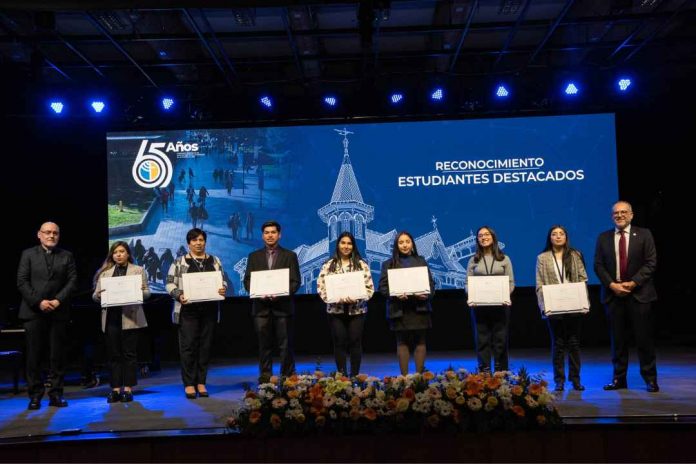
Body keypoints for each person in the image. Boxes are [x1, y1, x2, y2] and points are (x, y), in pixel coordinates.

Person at [594, 201, 658, 392]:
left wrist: (633, 282)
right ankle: (619, 379)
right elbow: (598, 265)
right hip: (614, 296)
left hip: (640, 295)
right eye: (616, 213)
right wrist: (612, 285)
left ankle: (650, 379)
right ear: (612, 216)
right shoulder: (603, 237)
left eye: (623, 212)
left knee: (644, 340)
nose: (620, 215)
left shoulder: (644, 234)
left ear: (631, 215)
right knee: (618, 341)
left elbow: (651, 262)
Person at [17, 221, 77, 410]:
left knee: (57, 357)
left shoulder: (67, 256)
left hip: (58, 313)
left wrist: (58, 300)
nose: (51, 236)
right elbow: (22, 281)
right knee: (34, 357)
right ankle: (35, 395)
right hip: (34, 312)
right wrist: (39, 302)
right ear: (39, 234)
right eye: (48, 232)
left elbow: (72, 281)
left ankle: (56, 394)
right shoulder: (28, 254)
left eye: (55, 233)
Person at [166, 228, 228, 399]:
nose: (198, 243)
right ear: (189, 243)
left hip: (209, 310)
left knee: (205, 347)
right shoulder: (179, 262)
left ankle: (201, 382)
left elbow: (222, 280)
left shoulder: (214, 260)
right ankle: (189, 383)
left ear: (205, 242)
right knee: (188, 348)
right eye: (194, 240)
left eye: (201, 240)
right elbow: (169, 284)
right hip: (188, 310)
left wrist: (223, 288)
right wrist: (179, 295)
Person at [93, 241, 151, 403]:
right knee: (114, 355)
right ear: (112, 255)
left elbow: (147, 293)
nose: (118, 254)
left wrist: (140, 291)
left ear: (128, 254)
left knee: (129, 354)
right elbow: (95, 295)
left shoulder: (138, 270)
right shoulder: (104, 273)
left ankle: (128, 389)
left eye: (122, 251)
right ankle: (115, 389)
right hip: (111, 317)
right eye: (115, 252)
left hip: (130, 317)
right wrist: (98, 296)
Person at [243, 221, 301, 381]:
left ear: (279, 235)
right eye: (266, 232)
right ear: (262, 236)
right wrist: (258, 292)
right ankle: (265, 376)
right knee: (264, 345)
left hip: (283, 307)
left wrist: (281, 293)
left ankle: (288, 377)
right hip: (261, 308)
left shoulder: (290, 256)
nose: (270, 235)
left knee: (285, 345)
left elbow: (296, 281)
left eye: (273, 232)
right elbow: (247, 281)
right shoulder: (253, 256)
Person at [535, 225, 588, 392]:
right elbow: (539, 284)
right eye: (554, 234)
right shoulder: (542, 258)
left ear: (566, 237)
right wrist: (545, 307)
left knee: (573, 343)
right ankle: (559, 380)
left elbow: (583, 279)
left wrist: (584, 303)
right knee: (557, 344)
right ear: (549, 238)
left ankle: (575, 379)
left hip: (574, 306)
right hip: (554, 307)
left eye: (561, 234)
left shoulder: (575, 254)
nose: (558, 236)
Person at [317, 232, 374, 377]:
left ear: (353, 246)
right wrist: (333, 298)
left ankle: (355, 376)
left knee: (355, 343)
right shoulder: (328, 265)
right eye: (343, 243)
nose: (346, 246)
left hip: (357, 311)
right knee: (339, 343)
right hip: (335, 311)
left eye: (349, 243)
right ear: (338, 245)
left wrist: (358, 298)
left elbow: (369, 289)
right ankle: (341, 376)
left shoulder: (361, 265)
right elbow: (321, 287)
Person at [378, 231, 434, 376]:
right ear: (396, 245)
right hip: (399, 309)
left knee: (420, 342)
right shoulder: (388, 264)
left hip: (419, 308)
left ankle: (419, 377)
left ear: (412, 244)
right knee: (401, 342)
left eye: (407, 242)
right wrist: (396, 295)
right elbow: (383, 288)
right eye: (401, 242)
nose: (404, 245)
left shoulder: (421, 261)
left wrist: (426, 294)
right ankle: (404, 379)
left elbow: (431, 284)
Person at [465, 226, 515, 373]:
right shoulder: (473, 260)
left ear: (493, 237)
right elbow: (468, 282)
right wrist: (471, 295)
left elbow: (511, 282)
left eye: (487, 234)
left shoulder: (504, 259)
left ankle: (501, 372)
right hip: (479, 307)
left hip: (500, 306)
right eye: (480, 235)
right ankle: (484, 373)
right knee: (482, 341)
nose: (483, 237)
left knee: (500, 341)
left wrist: (506, 295)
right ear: (477, 240)